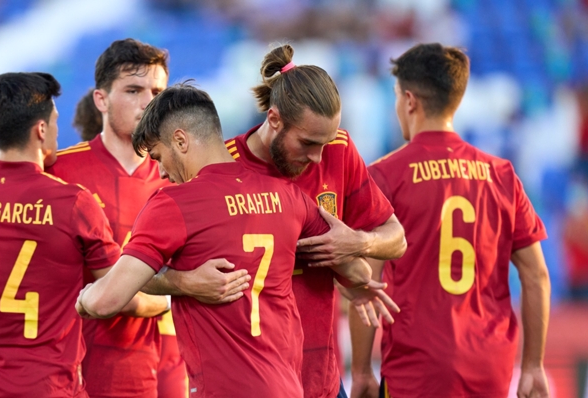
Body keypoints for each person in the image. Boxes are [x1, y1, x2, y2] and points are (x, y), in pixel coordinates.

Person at [76, 82, 383, 398]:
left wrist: (84, 297)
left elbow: (105, 301)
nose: (162, 172)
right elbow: (359, 273)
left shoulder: (173, 203)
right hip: (288, 387)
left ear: (180, 141)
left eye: (158, 156)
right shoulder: (287, 195)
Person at [144, 44, 407, 398]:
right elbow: (143, 272)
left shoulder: (338, 150)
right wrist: (186, 282)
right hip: (246, 383)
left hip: (322, 379)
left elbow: (396, 238)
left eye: (325, 143)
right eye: (308, 143)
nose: (317, 157)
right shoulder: (218, 169)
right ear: (274, 119)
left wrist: (357, 243)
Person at [349, 43, 551, 398]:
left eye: (397, 97)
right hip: (489, 368)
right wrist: (533, 366)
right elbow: (536, 275)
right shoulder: (502, 175)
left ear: (410, 101)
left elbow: (368, 281)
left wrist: (363, 370)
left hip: (416, 369)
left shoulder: (385, 176)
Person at [0, 72, 121, 397]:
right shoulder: (72, 203)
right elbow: (117, 289)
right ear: (41, 130)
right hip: (47, 387)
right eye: (55, 120)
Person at [47, 38, 210, 398]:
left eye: (157, 90)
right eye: (134, 90)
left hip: (170, 358)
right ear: (101, 100)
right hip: (80, 358)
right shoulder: (59, 170)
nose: (149, 102)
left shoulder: (190, 177)